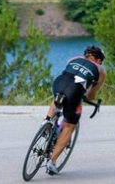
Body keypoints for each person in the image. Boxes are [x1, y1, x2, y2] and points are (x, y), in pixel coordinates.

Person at [44, 45, 106, 175]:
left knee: (58, 98)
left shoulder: (73, 59)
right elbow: (90, 94)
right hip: (75, 91)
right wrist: (87, 97)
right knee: (70, 125)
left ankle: (47, 122)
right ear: (99, 59)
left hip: (59, 83)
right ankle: (52, 162)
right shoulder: (100, 70)